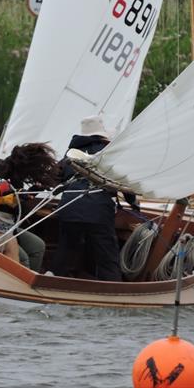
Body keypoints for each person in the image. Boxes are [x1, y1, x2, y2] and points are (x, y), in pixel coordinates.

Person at [51, 115, 137, 282]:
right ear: (102, 135)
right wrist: (133, 204)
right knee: (107, 258)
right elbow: (125, 182)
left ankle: (51, 284)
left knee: (65, 252)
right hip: (98, 211)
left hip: (69, 209)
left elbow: (54, 179)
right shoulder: (108, 155)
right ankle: (113, 292)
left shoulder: (69, 156)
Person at [0, 142, 60, 272]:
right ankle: (23, 282)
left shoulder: (16, 178)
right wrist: (12, 196)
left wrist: (31, 193)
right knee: (22, 257)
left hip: (9, 228)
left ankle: (32, 277)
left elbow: (16, 203)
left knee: (38, 246)